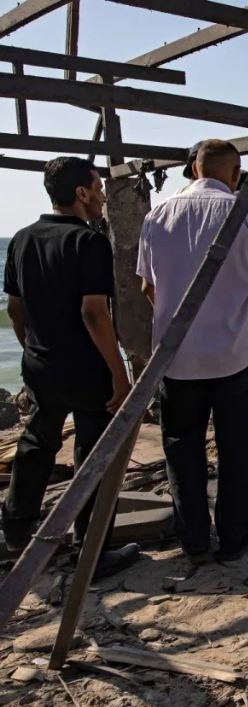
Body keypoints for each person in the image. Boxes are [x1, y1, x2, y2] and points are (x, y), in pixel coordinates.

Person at [137, 139, 248, 563]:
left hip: (177, 359)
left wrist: (178, 324)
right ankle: (233, 539)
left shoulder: (157, 216)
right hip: (238, 355)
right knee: (240, 452)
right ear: (235, 173)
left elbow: (148, 288)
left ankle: (194, 541)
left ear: (195, 169)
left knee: (182, 452)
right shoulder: (247, 213)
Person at [2, 157, 140, 575]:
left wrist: (33, 349)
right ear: (81, 193)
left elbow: (15, 309)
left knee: (36, 443)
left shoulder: (22, 239)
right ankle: (91, 552)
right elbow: (94, 313)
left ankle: (16, 531)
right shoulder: (88, 242)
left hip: (40, 364)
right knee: (94, 454)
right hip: (85, 368)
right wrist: (119, 373)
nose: (102, 197)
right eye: (98, 188)